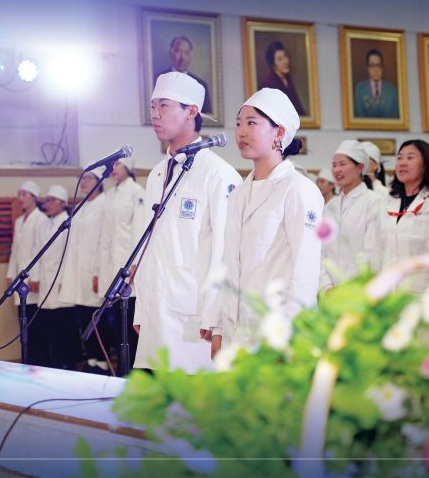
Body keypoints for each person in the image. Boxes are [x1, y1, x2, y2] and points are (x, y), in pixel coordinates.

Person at [133, 72, 242, 374]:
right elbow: (149, 247)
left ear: (191, 111)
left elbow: (226, 253)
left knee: (193, 399)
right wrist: (141, 309)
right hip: (156, 312)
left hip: (195, 321)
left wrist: (217, 322)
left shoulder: (218, 173)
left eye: (164, 106)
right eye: (153, 106)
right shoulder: (157, 173)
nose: (155, 114)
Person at [205, 88, 323, 355]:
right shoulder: (238, 194)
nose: (241, 132)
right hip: (237, 332)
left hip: (279, 334)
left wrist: (292, 338)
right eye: (239, 123)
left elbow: (305, 271)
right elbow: (229, 264)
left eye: (251, 123)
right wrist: (219, 328)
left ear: (279, 133)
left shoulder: (298, 190)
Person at [371, 140, 429, 293]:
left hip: (426, 295)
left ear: (426, 164)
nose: (402, 163)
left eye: (410, 158)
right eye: (399, 158)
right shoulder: (386, 201)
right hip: (389, 295)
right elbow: (377, 249)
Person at [97, 155, 146, 373]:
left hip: (129, 268)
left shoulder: (137, 192)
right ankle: (122, 369)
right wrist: (100, 271)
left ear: (129, 167)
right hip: (111, 266)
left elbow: (140, 231)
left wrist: (135, 265)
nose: (114, 167)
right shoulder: (109, 195)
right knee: (116, 323)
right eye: (113, 164)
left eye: (119, 164)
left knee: (129, 322)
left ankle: (136, 371)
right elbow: (105, 236)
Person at [58, 168, 110, 372]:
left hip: (95, 268)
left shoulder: (105, 204)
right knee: (83, 314)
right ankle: (91, 357)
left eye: (89, 178)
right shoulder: (80, 206)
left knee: (97, 316)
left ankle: (103, 359)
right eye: (83, 178)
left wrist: (98, 272)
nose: (84, 182)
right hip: (78, 270)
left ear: (99, 181)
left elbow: (104, 241)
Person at [320, 140, 383, 290]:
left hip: (360, 291)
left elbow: (372, 253)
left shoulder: (374, 202)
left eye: (342, 164)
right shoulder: (329, 207)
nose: (337, 170)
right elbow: (320, 252)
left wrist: (350, 289)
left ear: (360, 167)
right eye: (334, 165)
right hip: (330, 293)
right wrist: (326, 286)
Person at [35, 185, 79, 370]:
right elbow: (38, 254)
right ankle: (53, 363)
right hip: (46, 282)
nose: (48, 204)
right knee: (49, 326)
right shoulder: (44, 224)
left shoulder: (69, 224)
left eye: (52, 200)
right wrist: (35, 277)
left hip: (61, 281)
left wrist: (64, 281)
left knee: (64, 326)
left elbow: (69, 255)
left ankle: (66, 362)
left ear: (63, 203)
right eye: (47, 200)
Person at [6, 180, 47, 361]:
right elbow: (15, 250)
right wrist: (10, 274)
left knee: (35, 325)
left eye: (24, 194)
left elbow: (40, 251)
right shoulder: (19, 221)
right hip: (20, 279)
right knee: (23, 324)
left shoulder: (41, 220)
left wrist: (35, 277)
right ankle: (27, 360)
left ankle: (39, 361)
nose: (21, 198)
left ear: (35, 197)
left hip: (33, 281)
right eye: (19, 194)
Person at [155, 35, 211, 113]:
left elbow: (207, 116)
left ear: (191, 56)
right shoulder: (157, 80)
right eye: (178, 51)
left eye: (186, 52)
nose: (182, 58)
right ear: (171, 53)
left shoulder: (201, 85)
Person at [259, 41, 306, 116]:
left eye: (285, 56)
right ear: (273, 65)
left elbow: (298, 108)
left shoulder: (287, 79)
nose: (285, 61)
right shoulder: (270, 84)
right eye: (280, 59)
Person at [354, 49, 399, 118]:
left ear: (382, 67)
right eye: (372, 65)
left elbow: (395, 117)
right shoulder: (359, 89)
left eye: (378, 65)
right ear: (368, 68)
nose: (376, 69)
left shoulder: (392, 90)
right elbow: (359, 116)